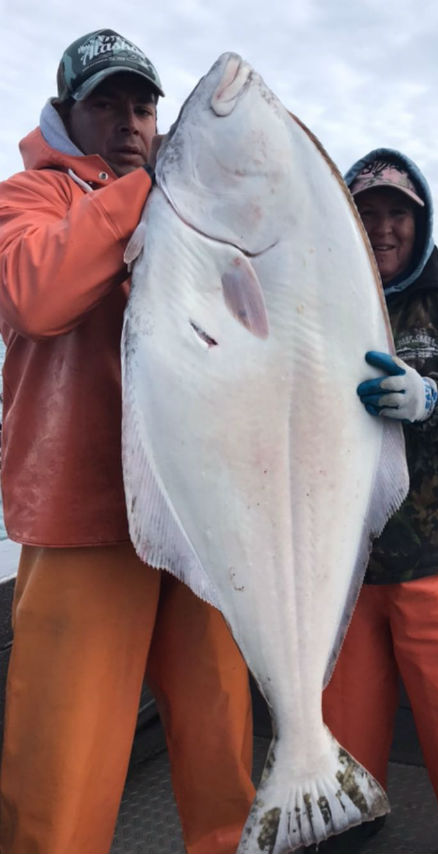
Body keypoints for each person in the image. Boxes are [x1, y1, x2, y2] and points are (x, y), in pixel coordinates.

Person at [0, 29, 254, 854]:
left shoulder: (191, 210)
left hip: (197, 524)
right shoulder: (27, 199)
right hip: (84, 523)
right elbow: (39, 296)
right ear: (68, 112)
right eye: (105, 103)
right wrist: (138, 192)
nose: (129, 121)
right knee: (59, 784)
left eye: (143, 106)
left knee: (225, 757)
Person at [317, 149, 438, 854]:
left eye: (397, 215)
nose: (383, 228)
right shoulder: (314, 308)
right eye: (366, 213)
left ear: (421, 221)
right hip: (340, 573)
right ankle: (348, 832)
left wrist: (436, 398)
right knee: (337, 749)